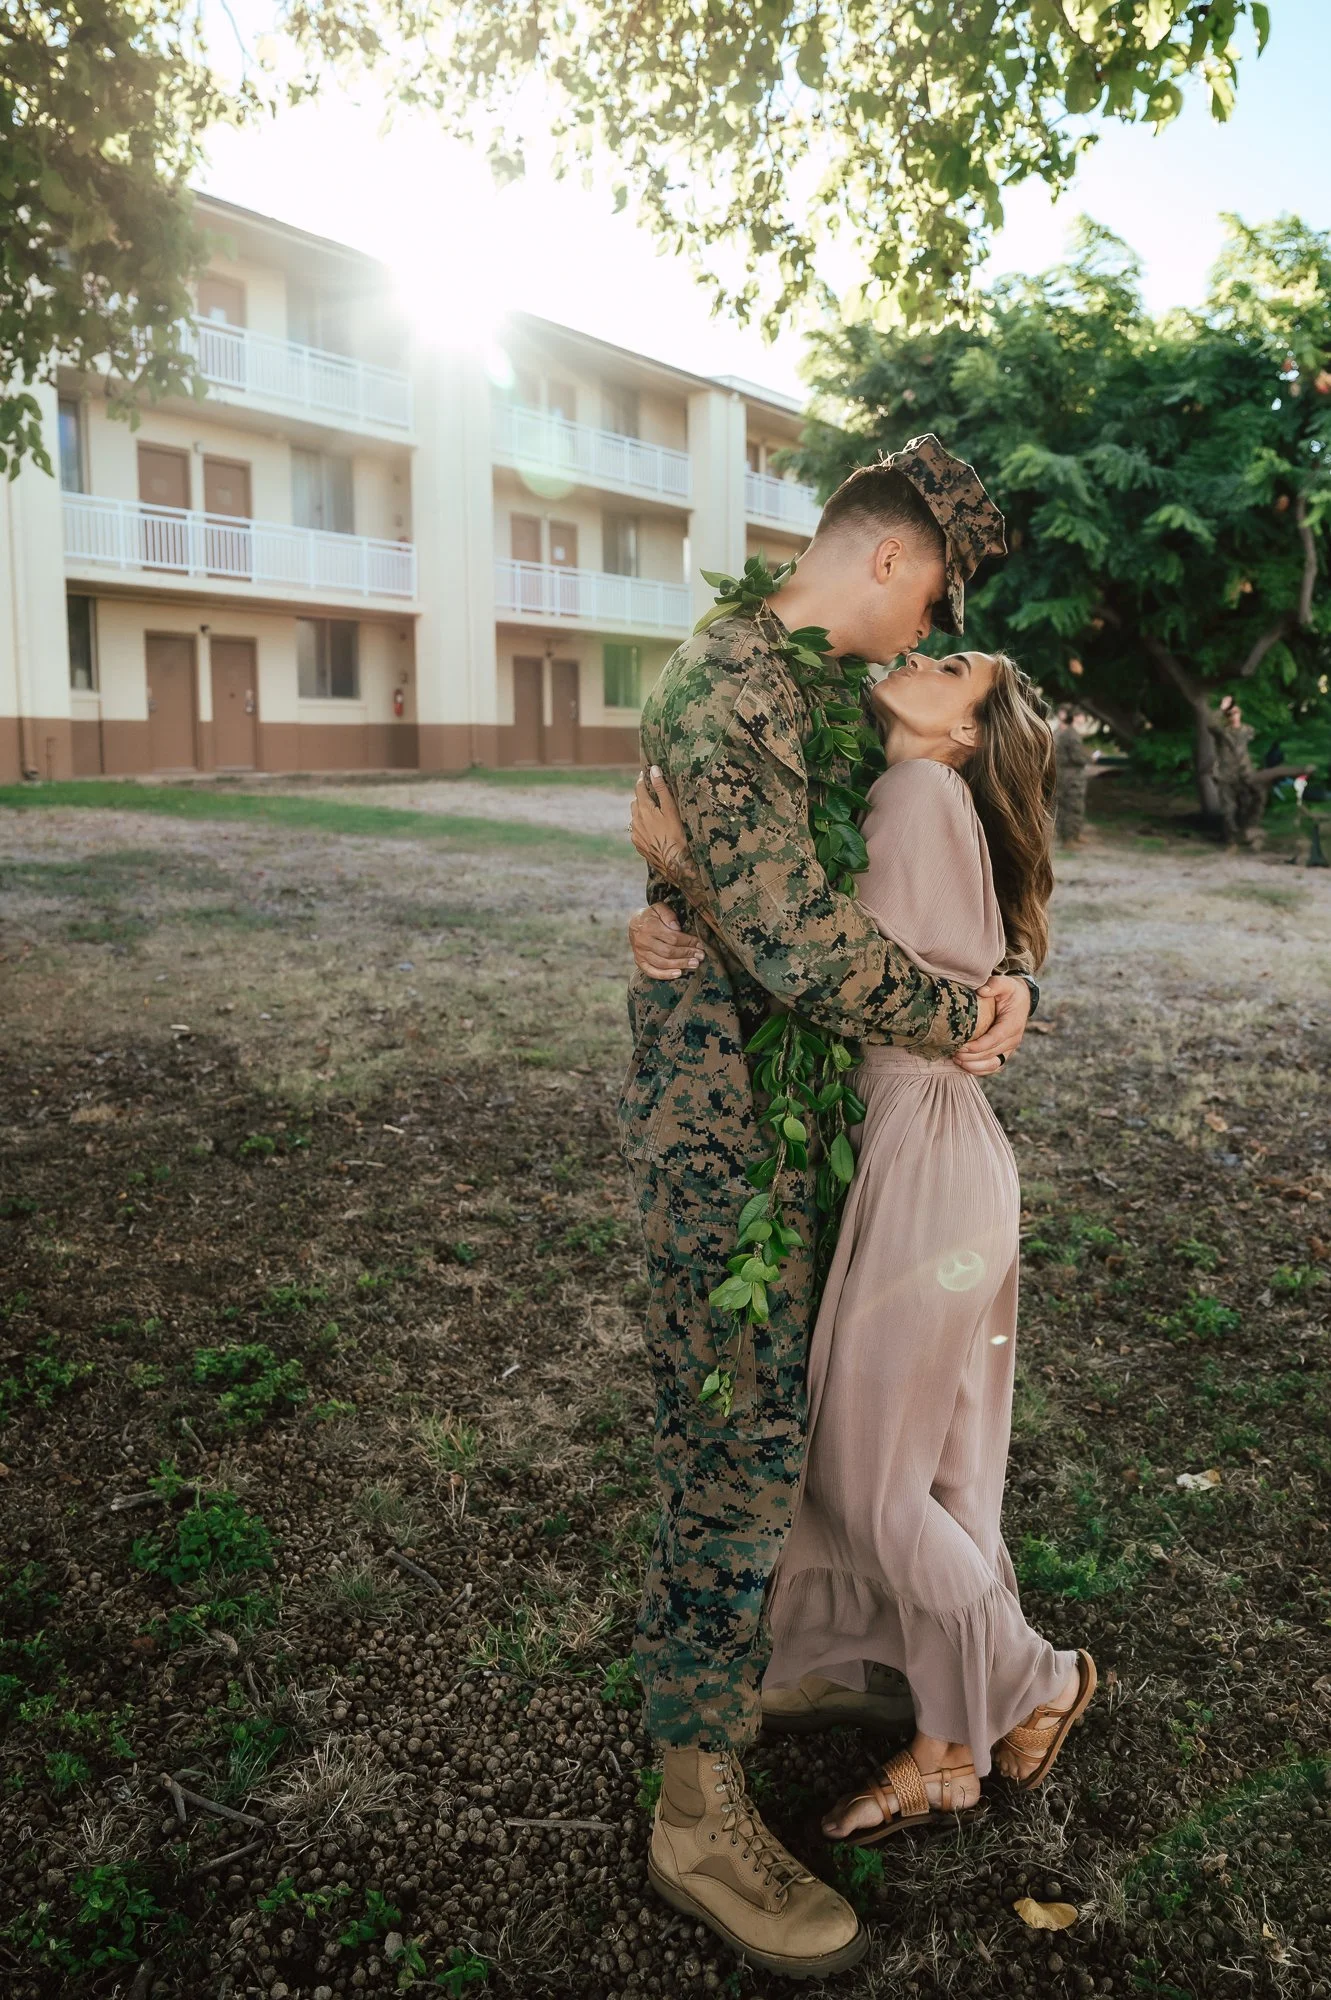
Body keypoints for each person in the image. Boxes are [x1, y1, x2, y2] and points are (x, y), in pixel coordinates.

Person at [618, 438, 1037, 1978]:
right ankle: (693, 1814)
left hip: (813, 1129)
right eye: (933, 586)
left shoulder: (818, 704)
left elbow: (921, 870)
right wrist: (959, 1016)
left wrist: (1002, 991)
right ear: (886, 558)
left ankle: (783, 1662)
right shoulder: (726, 681)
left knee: (788, 1432)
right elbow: (798, 941)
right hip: (719, 1134)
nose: (930, 629)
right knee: (724, 1447)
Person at [629, 645, 1096, 1855]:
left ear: (961, 733)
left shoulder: (917, 794)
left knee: (864, 1479)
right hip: (933, 1148)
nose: (922, 652)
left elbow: (828, 971)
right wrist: (671, 912)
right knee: (937, 1470)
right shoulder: (896, 794)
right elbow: (877, 953)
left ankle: (1034, 1679)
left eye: (956, 665)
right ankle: (948, 1746)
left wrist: (685, 878)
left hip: (923, 1151)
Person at [1208, 698, 1264, 848]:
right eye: (1230, 714)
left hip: (1244, 774)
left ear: (1240, 714)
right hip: (1226, 774)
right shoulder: (1223, 733)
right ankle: (1231, 839)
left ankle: (1247, 832)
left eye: (1236, 713)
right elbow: (1211, 724)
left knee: (1251, 802)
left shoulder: (1247, 730)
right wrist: (1222, 708)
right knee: (1228, 809)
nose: (1233, 716)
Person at [1053, 705, 1094, 844]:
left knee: (1066, 806)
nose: (1083, 718)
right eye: (1081, 715)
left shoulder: (1064, 732)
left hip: (1063, 774)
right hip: (1071, 776)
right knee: (1073, 806)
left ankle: (1072, 835)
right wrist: (1090, 759)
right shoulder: (1071, 734)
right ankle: (1069, 838)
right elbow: (1077, 757)